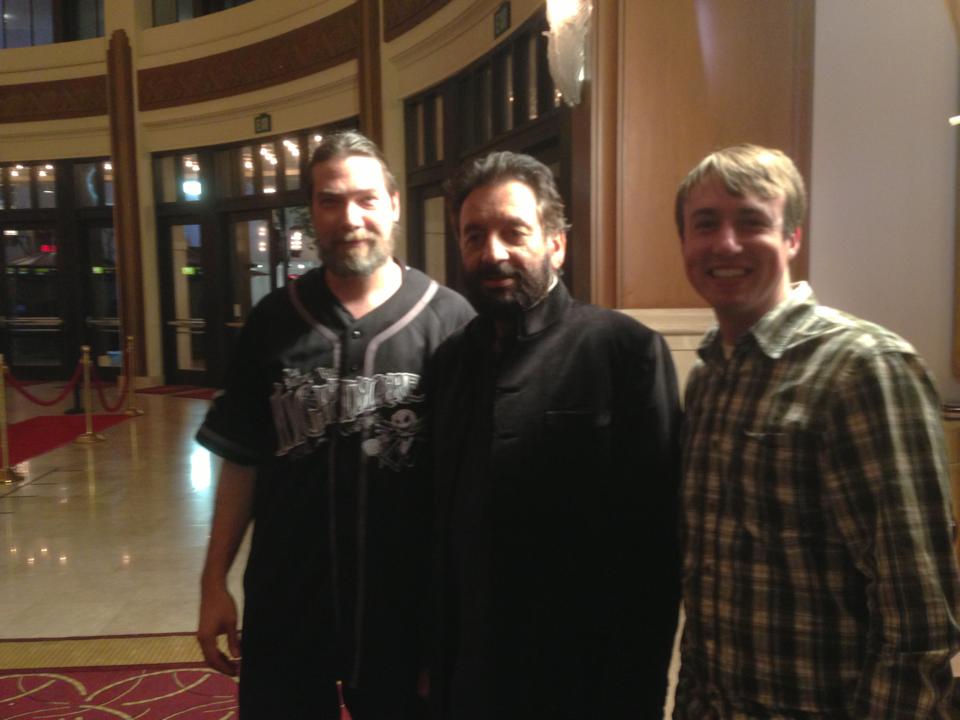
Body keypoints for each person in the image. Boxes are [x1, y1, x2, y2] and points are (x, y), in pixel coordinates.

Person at [195, 130, 474, 719]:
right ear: (312, 213)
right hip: (288, 606)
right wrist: (213, 579)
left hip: (406, 613)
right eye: (331, 200)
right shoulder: (274, 320)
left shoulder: (450, 322)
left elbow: (470, 487)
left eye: (367, 198)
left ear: (395, 204)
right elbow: (242, 458)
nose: (351, 218)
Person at [674, 143, 960, 718]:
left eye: (752, 221)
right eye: (705, 224)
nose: (725, 243)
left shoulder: (864, 368)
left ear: (792, 239)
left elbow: (920, 618)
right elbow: (713, 591)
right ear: (684, 241)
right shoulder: (707, 381)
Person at [425, 151, 682, 719]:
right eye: (474, 236)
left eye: (513, 231)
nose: (493, 252)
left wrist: (639, 689)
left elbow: (658, 547)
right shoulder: (449, 364)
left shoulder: (626, 352)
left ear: (556, 243)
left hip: (585, 680)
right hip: (471, 676)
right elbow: (439, 528)